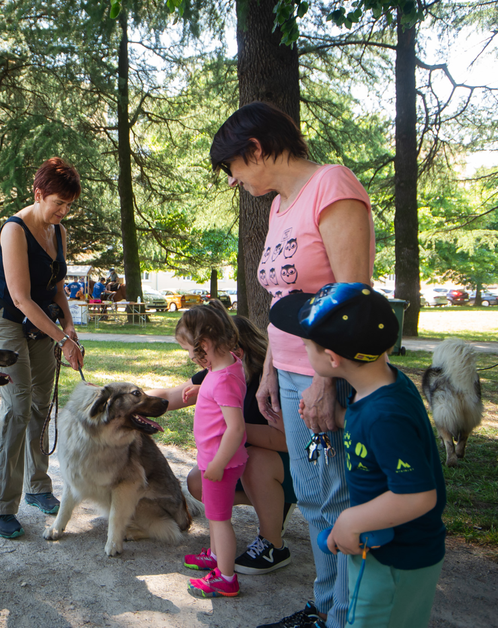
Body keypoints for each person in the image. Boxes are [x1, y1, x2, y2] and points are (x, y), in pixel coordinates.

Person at [211, 101, 375, 628]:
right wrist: (269, 373)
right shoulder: (280, 204)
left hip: (331, 372)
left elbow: (352, 299)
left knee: (337, 499)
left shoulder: (333, 185)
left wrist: (325, 382)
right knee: (313, 498)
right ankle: (328, 606)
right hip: (289, 373)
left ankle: (347, 616)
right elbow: (285, 302)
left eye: (232, 167)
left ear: (255, 150)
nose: (234, 181)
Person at [270, 283, 446, 628]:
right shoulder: (383, 389)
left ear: (332, 359)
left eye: (305, 345)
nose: (304, 349)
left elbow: (419, 495)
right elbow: (375, 434)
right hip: (382, 548)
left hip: (395, 557)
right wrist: (338, 419)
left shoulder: (385, 414)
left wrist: (351, 521)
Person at [0, 157, 85, 539]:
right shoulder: (14, 231)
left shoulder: (58, 231)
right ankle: (1, 508)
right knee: (18, 407)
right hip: (8, 322)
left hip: (43, 323)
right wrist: (62, 338)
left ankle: (37, 487)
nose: (62, 212)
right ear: (38, 193)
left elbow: (57, 287)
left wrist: (70, 325)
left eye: (68, 206)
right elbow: (22, 299)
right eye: (58, 203)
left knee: (43, 403)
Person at [149, 315, 297, 576]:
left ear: (233, 350)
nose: (196, 360)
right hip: (245, 459)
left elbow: (287, 441)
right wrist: (128, 396)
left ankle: (273, 543)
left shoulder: (271, 382)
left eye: (198, 352)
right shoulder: (217, 370)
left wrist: (230, 425)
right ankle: (270, 506)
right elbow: (172, 396)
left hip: (287, 468)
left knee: (256, 461)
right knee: (198, 481)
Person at [169, 301, 247, 598]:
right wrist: (204, 389)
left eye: (190, 350)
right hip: (218, 460)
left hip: (221, 463)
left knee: (219, 520)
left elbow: (236, 428)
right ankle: (216, 559)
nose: (190, 356)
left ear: (204, 343)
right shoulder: (226, 365)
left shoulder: (223, 377)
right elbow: (226, 390)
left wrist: (216, 465)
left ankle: (226, 578)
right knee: (217, 517)